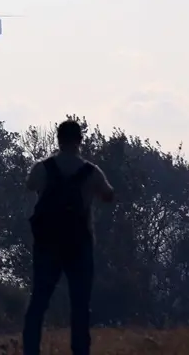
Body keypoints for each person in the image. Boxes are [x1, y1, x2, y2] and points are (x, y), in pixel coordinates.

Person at [22, 119, 114, 355]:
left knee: (39, 302)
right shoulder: (90, 172)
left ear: (58, 139)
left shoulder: (43, 168)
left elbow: (29, 185)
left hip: (47, 244)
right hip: (79, 245)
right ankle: (80, 351)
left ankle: (31, 351)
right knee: (80, 305)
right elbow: (108, 195)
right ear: (80, 140)